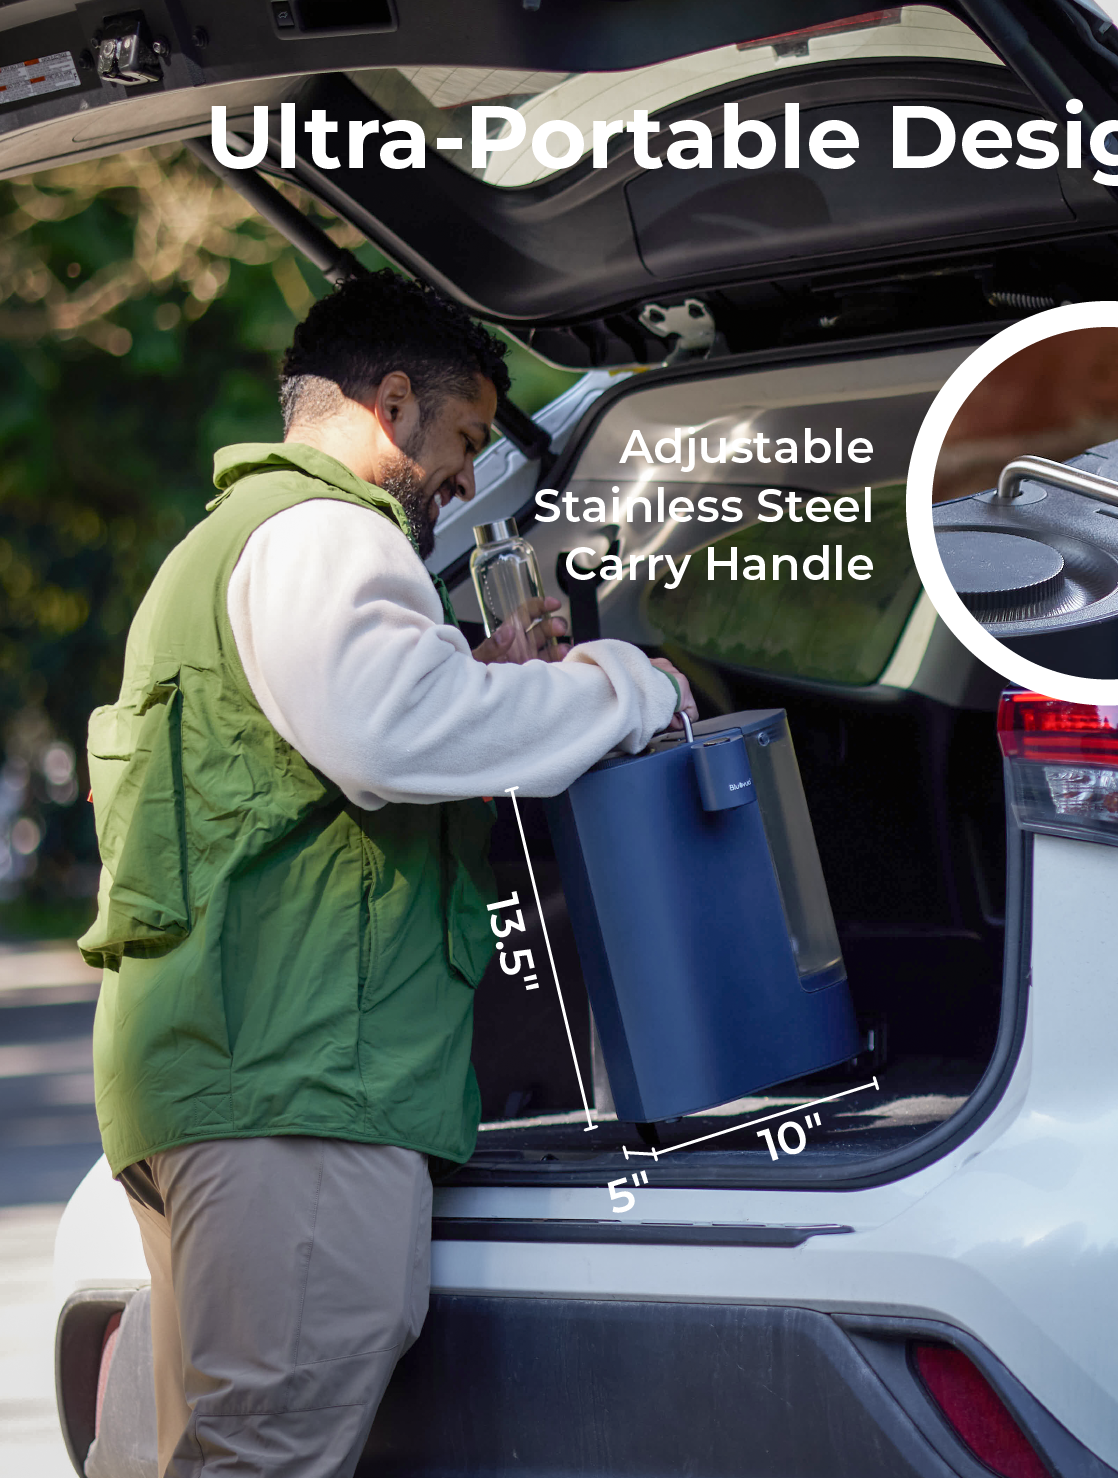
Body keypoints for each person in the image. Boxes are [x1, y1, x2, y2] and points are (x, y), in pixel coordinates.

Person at [79, 270, 696, 1477]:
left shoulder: (232, 545)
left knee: (187, 1456)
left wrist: (483, 672)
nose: (468, 481)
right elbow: (392, 735)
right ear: (395, 403)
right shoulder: (327, 532)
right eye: (464, 441)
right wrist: (626, 686)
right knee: (265, 1455)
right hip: (298, 1088)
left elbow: (322, 753)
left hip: (218, 1076)